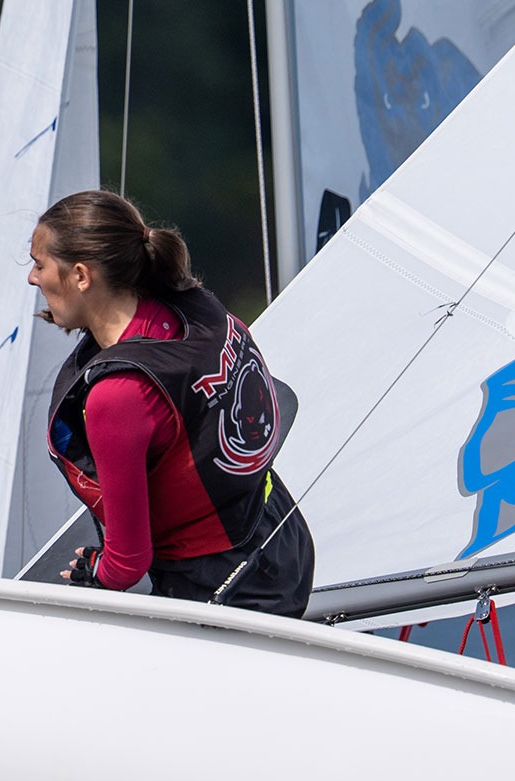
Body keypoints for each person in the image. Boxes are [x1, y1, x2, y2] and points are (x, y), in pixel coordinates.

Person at [29, 189, 314, 616]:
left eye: (39, 265)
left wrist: (94, 576)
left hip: (224, 587)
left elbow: (127, 564)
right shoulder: (196, 308)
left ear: (82, 276)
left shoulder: (117, 394)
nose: (33, 279)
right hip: (283, 533)